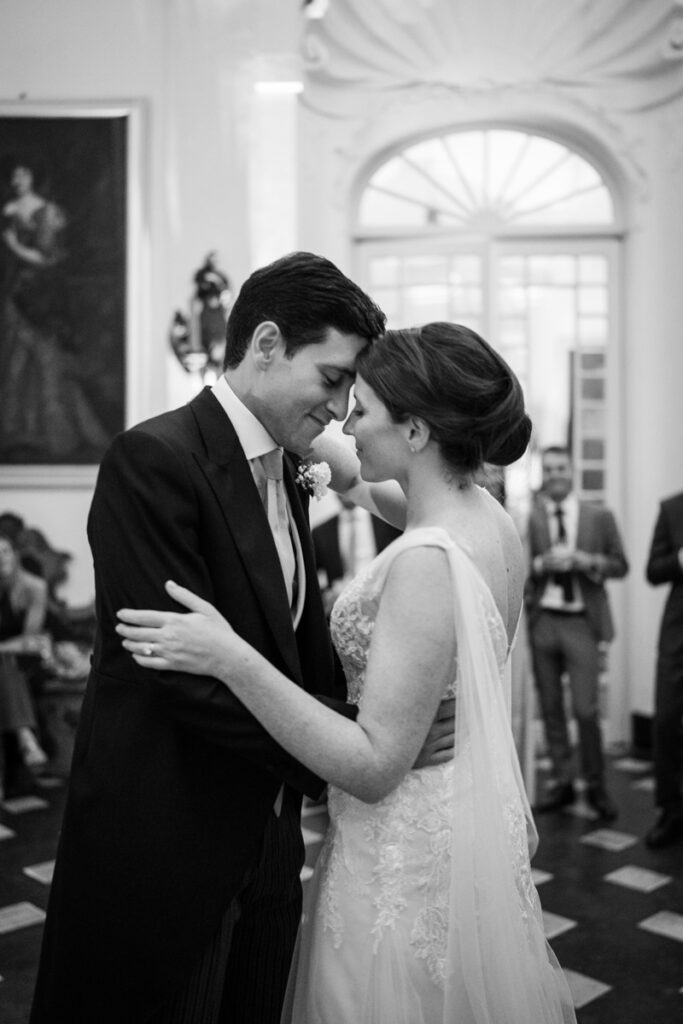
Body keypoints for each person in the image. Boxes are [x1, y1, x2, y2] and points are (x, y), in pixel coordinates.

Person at [29, 252, 453, 1024]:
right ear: (265, 344)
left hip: (269, 836)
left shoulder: (287, 466)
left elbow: (288, 642)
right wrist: (351, 747)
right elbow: (174, 673)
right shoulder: (153, 459)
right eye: (331, 379)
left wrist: (368, 727)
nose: (339, 407)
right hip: (167, 835)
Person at [117, 323, 577, 1024]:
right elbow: (358, 477)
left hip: (400, 841)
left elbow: (371, 765)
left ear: (417, 431)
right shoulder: (485, 517)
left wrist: (229, 655)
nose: (344, 419)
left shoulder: (426, 560)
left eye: (360, 409)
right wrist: (267, 400)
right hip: (446, 813)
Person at [527, 446, 629, 821]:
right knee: (551, 707)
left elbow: (621, 564)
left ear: (572, 471)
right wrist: (540, 563)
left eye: (561, 468)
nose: (555, 474)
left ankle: (596, 784)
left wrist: (585, 561)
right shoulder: (533, 518)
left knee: (586, 710)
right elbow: (522, 566)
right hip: (544, 622)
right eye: (549, 468)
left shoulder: (598, 517)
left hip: (582, 622)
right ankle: (563, 781)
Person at [0, 160, 109, 463]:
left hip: (40, 297)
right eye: (13, 174)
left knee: (45, 359)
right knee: (16, 363)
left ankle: (56, 433)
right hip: (16, 294)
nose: (16, 178)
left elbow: (47, 258)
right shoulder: (8, 211)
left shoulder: (47, 211)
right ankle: (20, 430)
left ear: (34, 176)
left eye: (22, 173)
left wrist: (13, 246)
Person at [643, 491, 683, 848]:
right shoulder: (671, 508)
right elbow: (653, 571)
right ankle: (671, 812)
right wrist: (680, 559)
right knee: (667, 721)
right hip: (678, 633)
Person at [0, 529, 50, 786]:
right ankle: (26, 739)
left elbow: (28, 640)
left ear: (14, 554)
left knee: (7, 661)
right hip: (6, 663)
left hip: (29, 660)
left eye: (5, 551)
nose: (1, 558)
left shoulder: (34, 587)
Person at [312, 493, 401, 615]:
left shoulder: (387, 521)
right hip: (344, 611)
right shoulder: (320, 532)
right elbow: (309, 577)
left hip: (385, 605)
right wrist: (326, 595)